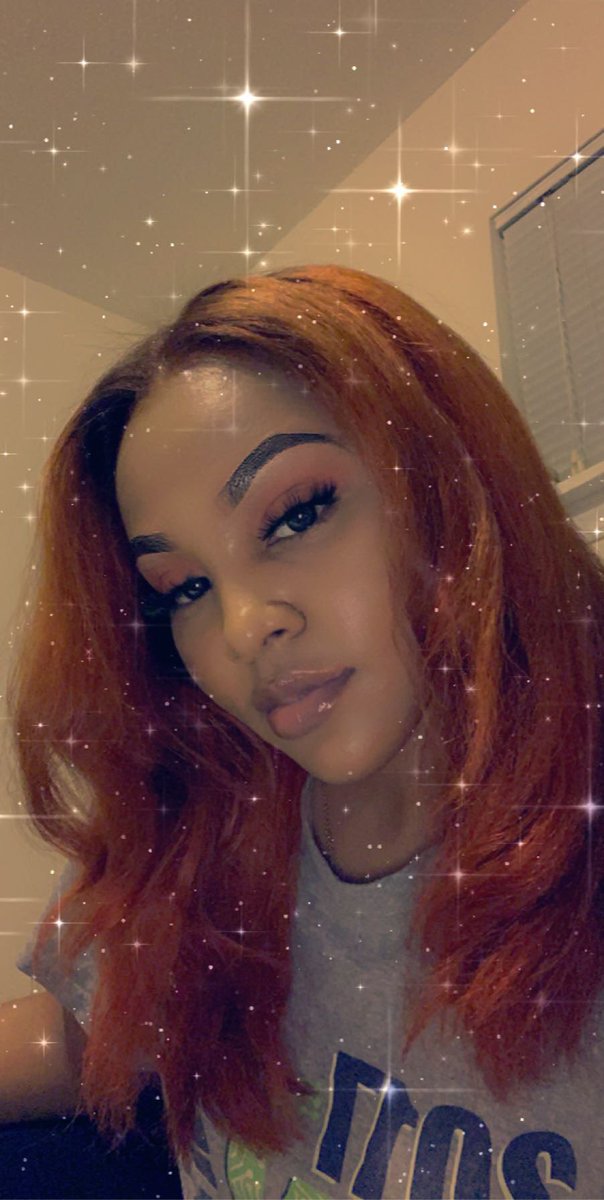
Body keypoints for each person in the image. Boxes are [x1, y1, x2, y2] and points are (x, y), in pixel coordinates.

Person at [3, 263, 604, 1199]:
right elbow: (91, 1036)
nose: (243, 627)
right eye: (184, 588)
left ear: (453, 479)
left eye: (296, 514)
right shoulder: (194, 842)